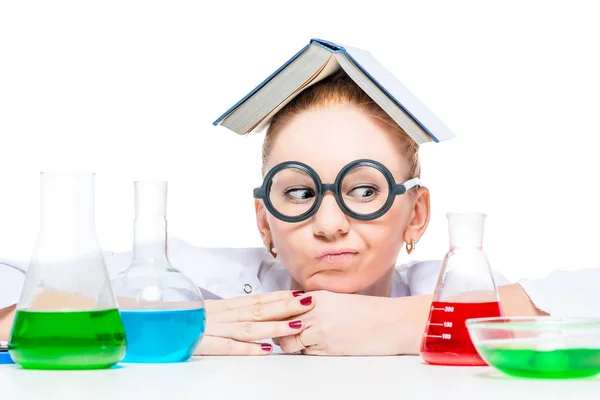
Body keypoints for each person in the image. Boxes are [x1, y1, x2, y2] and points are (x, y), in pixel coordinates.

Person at [1, 73, 599, 357]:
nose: (331, 222)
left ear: (416, 214)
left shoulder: (440, 288)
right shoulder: (204, 281)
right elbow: (14, 313)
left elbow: (568, 307)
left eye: (364, 191)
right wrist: (174, 331)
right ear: (264, 221)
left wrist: (400, 325)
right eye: (298, 193)